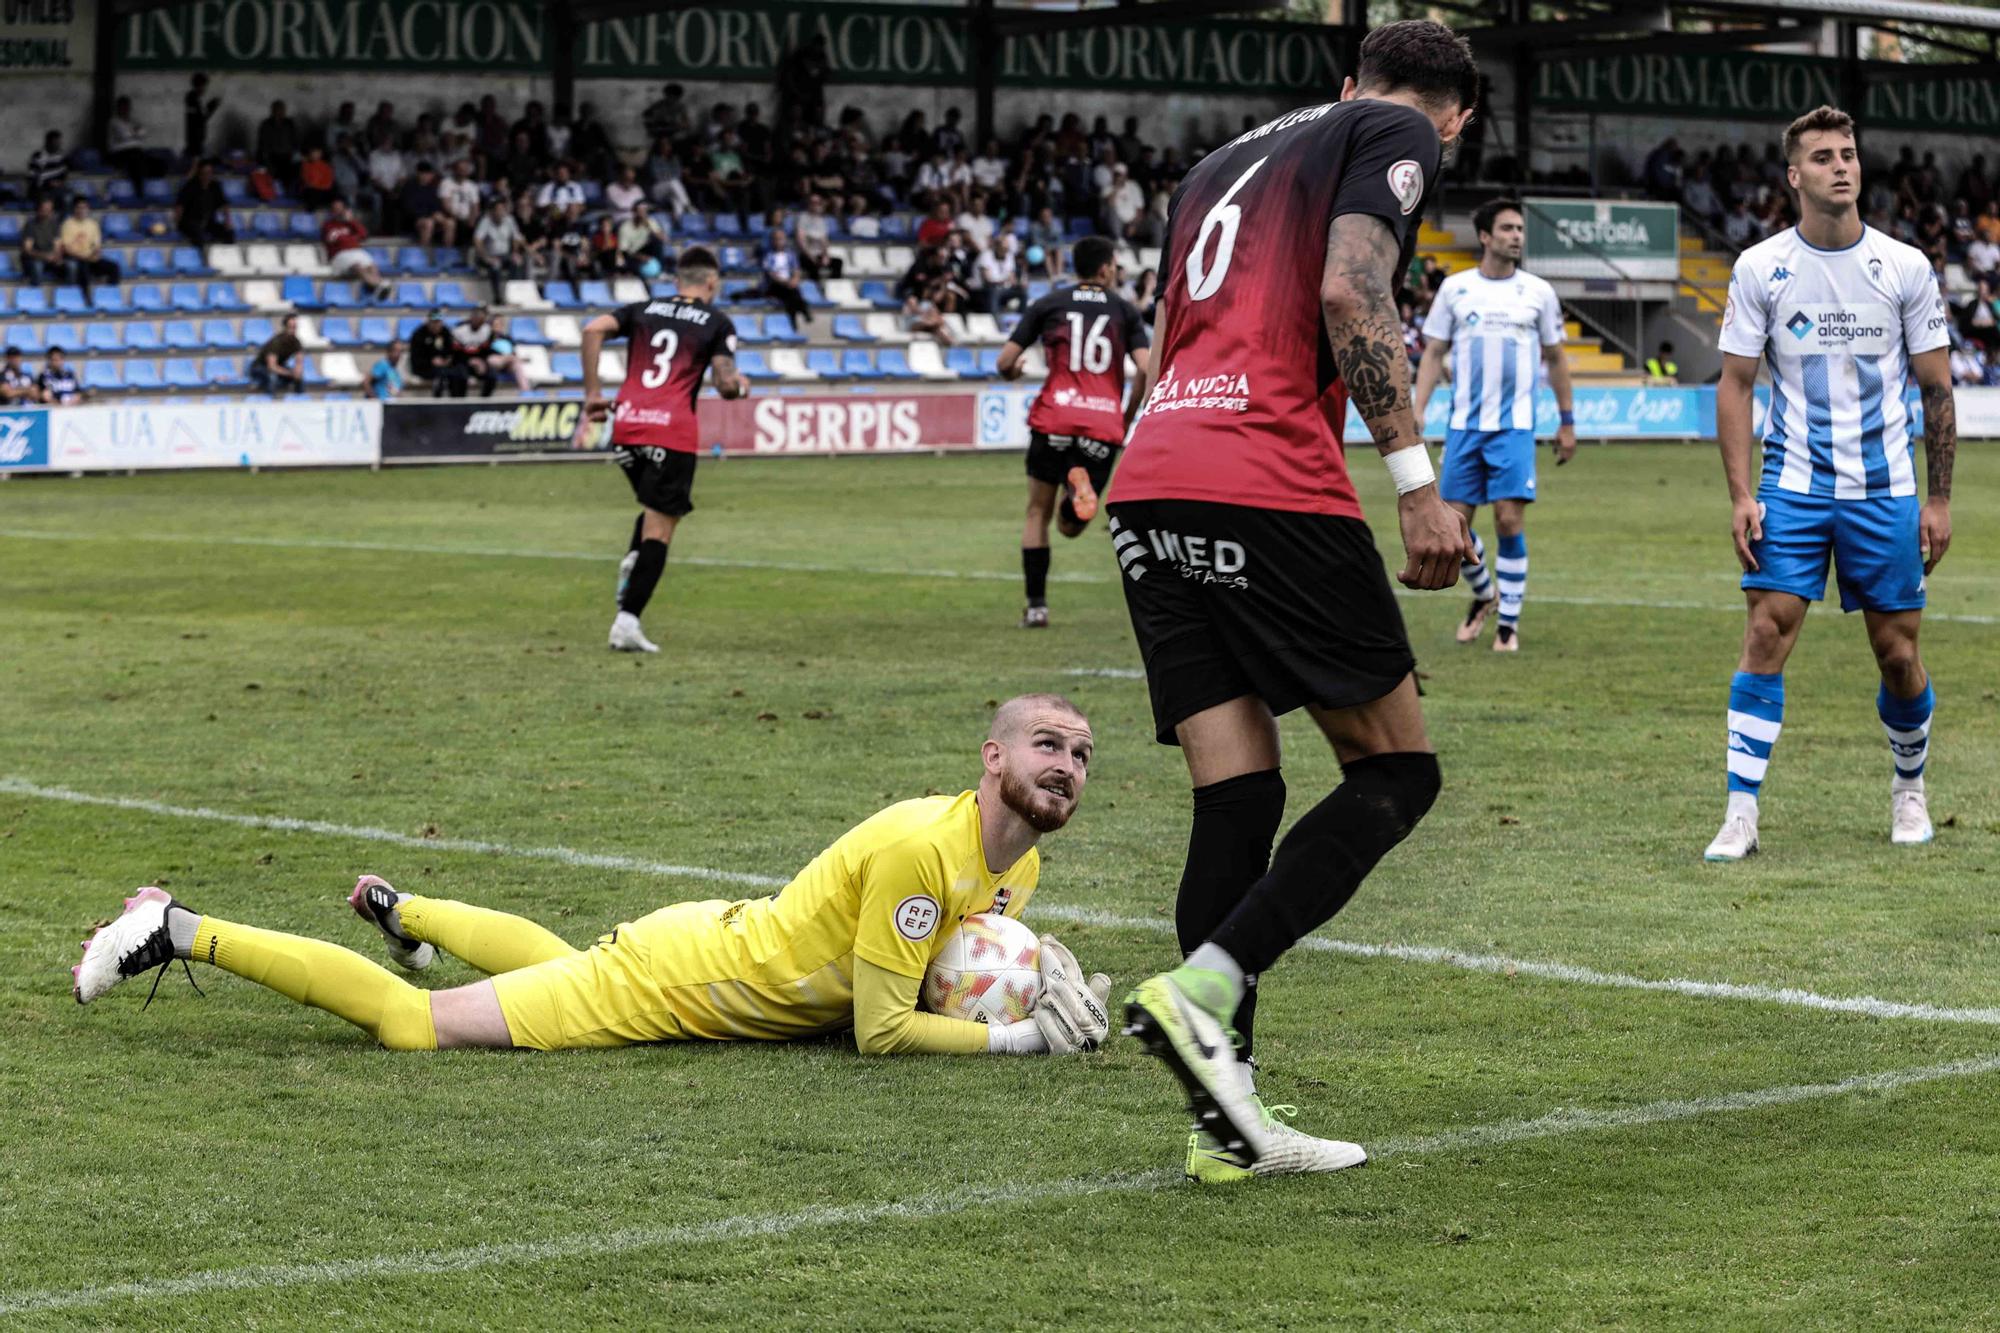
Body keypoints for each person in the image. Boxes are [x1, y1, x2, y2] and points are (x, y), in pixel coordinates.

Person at [1110, 19, 1478, 1180]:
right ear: (1452, 116)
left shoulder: (1217, 164)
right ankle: (1204, 985)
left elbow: (1167, 337)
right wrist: (1415, 485)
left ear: (1340, 80)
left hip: (1152, 475)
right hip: (1263, 476)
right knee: (1394, 771)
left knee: (1240, 791)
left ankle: (1224, 1126)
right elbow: (1350, 288)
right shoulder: (1400, 131)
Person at [75, 699, 1112, 1058]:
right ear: (991, 754)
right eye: (1045, 745)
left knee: (573, 967)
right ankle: (176, 927)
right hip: (677, 981)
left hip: (696, 948)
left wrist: (1012, 974)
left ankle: (409, 911)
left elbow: (917, 970)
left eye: (1080, 755)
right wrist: (1014, 1035)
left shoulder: (1018, 864)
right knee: (411, 1025)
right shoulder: (920, 853)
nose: (1063, 766)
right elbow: (880, 1032)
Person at [1704, 106, 1955, 862]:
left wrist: (1938, 499)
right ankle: (1740, 813)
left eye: (1848, 154)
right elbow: (1736, 385)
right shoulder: (1761, 268)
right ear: (1794, 176)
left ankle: (1909, 790)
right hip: (1793, 483)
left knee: (1897, 653)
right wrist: (1743, 495)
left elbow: (1937, 392)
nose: (1841, 166)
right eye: (1823, 157)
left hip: (1885, 488)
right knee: (1764, 632)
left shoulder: (1905, 266)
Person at [1410, 196, 1575, 652]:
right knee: (1453, 527)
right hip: (1464, 425)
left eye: (1519, 229)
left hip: (1516, 427)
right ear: (1485, 237)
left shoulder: (1538, 292)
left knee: (1508, 520)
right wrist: (1418, 407)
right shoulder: (1456, 290)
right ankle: (1485, 595)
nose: (1516, 236)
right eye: (1507, 229)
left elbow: (1557, 359)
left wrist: (1567, 422)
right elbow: (1434, 354)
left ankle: (1508, 627)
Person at [581, 246, 751, 654]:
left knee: (655, 507)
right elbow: (726, 385)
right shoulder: (716, 321)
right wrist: (741, 384)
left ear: (677, 281)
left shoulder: (641, 308)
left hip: (627, 426)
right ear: (711, 283)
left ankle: (634, 557)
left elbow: (591, 330)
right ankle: (627, 621)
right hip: (671, 432)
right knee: (662, 526)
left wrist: (592, 394)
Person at [998, 236, 1150, 630]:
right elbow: (1147, 369)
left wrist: (1014, 373)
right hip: (1102, 423)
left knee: (1036, 514)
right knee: (1070, 527)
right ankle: (1074, 496)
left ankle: (1036, 607)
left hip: (1054, 417)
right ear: (1104, 269)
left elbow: (1005, 361)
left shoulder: (1048, 303)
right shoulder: (1124, 311)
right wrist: (1125, 415)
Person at [322, 199, 394, 301]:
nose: (338, 211)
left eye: (340, 208)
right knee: (358, 266)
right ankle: (379, 284)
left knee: (371, 265)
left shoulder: (351, 224)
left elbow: (364, 234)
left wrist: (351, 221)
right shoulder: (328, 225)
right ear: (332, 211)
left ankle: (377, 286)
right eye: (335, 209)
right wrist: (352, 238)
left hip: (356, 251)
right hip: (339, 254)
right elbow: (335, 240)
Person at [408, 308, 467, 398]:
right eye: (434, 322)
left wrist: (448, 359)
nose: (436, 325)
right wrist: (431, 361)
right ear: (429, 321)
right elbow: (415, 357)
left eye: (439, 322)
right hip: (424, 367)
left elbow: (452, 350)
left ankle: (458, 401)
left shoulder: (445, 332)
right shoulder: (419, 334)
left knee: (460, 371)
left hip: (444, 366)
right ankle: (437, 402)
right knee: (441, 374)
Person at [173, 160, 234, 246]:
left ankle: (225, 256)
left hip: (209, 222)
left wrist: (227, 220)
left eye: (209, 172)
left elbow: (224, 204)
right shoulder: (190, 186)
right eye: (204, 173)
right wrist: (177, 224)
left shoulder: (215, 186)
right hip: (189, 222)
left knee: (228, 233)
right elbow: (179, 206)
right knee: (198, 236)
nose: (207, 175)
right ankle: (203, 258)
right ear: (199, 173)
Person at [449, 305, 502, 398]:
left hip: (479, 361)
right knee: (461, 376)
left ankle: (484, 401)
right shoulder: (458, 329)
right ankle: (460, 402)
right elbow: (454, 352)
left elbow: (486, 350)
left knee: (492, 375)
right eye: (476, 317)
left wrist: (482, 361)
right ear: (471, 317)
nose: (479, 321)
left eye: (481, 319)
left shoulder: (487, 330)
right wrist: (469, 361)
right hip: (462, 361)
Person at [247, 313, 305, 395]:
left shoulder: (296, 342)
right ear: (285, 327)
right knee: (272, 377)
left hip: (279, 367)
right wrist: (289, 373)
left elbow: (299, 361)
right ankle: (270, 401)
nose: (292, 330)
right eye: (290, 327)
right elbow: (271, 366)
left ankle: (300, 401)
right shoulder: (276, 342)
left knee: (299, 378)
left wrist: (297, 372)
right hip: (260, 367)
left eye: (294, 327)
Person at [19, 196, 64, 286]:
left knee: (71, 266)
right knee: (37, 266)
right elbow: (28, 250)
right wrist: (45, 256)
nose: (48, 212)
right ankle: (36, 295)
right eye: (45, 209)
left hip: (50, 259)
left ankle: (68, 297)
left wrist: (57, 256)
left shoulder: (54, 224)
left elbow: (58, 245)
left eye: (50, 209)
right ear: (38, 210)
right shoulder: (30, 225)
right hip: (34, 259)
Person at [26, 129, 69, 207]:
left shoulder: (61, 156)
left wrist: (59, 183)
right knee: (46, 202)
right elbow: (32, 178)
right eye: (55, 142)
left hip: (56, 189)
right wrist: (48, 183)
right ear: (48, 142)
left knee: (68, 198)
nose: (58, 144)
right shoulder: (38, 156)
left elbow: (63, 174)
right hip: (40, 190)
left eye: (59, 142)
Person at [183, 73, 219, 160]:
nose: (205, 89)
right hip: (194, 142)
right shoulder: (191, 98)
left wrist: (210, 106)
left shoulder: (197, 99)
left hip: (198, 140)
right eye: (204, 85)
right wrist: (211, 107)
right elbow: (199, 119)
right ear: (200, 85)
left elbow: (201, 116)